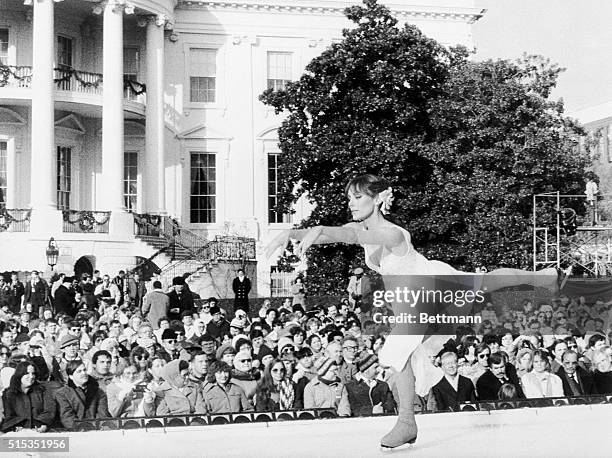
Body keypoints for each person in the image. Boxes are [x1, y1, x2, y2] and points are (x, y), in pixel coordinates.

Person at [267, 174, 559, 448]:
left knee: (403, 346)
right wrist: (292, 232)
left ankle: (407, 422)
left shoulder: (393, 234)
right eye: (349, 198)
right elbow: (335, 236)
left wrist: (319, 229)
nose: (351, 203)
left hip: (429, 288)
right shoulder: (361, 228)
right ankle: (544, 277)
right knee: (478, 287)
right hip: (417, 296)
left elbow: (348, 237)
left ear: (379, 198)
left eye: (357, 197)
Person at [1, 361, 56, 432]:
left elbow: (50, 410)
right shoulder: (9, 394)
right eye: (27, 373)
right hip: (16, 432)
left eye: (33, 373)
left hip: (40, 430)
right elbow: (8, 415)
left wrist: (43, 425)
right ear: (19, 374)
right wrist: (15, 427)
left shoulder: (43, 391)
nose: (31, 376)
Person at [56, 360, 110, 429]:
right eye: (79, 371)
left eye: (84, 370)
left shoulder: (98, 391)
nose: (84, 373)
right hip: (75, 431)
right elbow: (67, 418)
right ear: (71, 376)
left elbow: (103, 414)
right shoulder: (62, 394)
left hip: (97, 430)